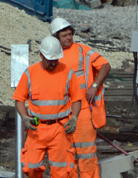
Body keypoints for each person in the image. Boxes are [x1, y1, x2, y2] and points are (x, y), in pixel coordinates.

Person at [13, 36, 83, 178]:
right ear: (41, 55)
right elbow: (19, 99)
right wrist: (25, 117)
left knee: (62, 171)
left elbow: (77, 99)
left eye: (55, 60)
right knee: (31, 167)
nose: (53, 63)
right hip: (37, 128)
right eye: (50, 60)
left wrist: (74, 118)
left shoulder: (67, 72)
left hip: (60, 129)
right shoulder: (31, 73)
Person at [50, 17, 109, 178]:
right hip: (61, 112)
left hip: (82, 111)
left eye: (70, 34)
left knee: (86, 153)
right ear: (56, 38)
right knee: (65, 154)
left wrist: (94, 86)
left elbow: (105, 65)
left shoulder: (82, 50)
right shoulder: (51, 56)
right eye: (64, 35)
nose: (68, 37)